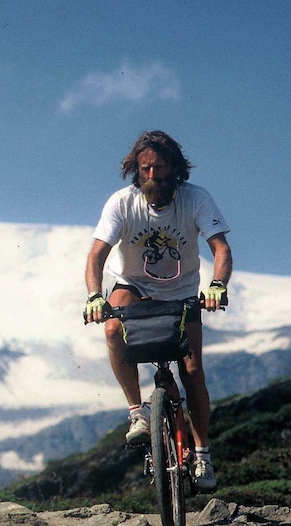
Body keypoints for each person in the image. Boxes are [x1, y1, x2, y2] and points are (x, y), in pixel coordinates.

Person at [84, 130, 232, 493]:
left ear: (175, 169)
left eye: (159, 169)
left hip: (181, 294)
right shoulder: (122, 202)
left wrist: (217, 286)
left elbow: (221, 248)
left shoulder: (196, 199)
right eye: (145, 169)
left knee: (193, 370)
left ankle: (202, 455)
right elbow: (97, 255)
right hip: (133, 286)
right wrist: (93, 295)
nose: (152, 176)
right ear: (136, 170)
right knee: (111, 329)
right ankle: (138, 413)